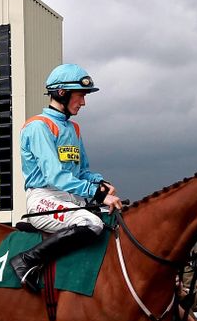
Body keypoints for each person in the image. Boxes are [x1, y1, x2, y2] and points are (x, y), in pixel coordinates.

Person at [9, 63, 123, 292]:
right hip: (43, 199)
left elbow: (81, 173)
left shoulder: (74, 129)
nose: (83, 102)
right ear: (62, 93)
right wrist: (98, 193)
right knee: (91, 223)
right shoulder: (38, 127)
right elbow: (56, 176)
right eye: (80, 95)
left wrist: (101, 183)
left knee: (115, 221)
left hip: (71, 199)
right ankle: (27, 260)